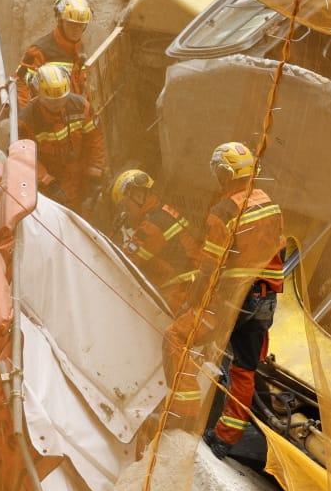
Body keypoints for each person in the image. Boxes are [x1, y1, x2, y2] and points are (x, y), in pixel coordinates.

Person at [183, 141, 284, 457]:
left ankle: (183, 416)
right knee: (244, 369)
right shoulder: (268, 202)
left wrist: (196, 303)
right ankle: (225, 439)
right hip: (266, 300)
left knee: (181, 339)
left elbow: (211, 267)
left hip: (237, 301)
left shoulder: (224, 211)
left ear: (224, 173)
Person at [17, 62, 105, 209]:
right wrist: (47, 182)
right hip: (51, 187)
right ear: (39, 94)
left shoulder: (81, 107)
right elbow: (27, 159)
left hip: (81, 177)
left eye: (61, 100)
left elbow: (95, 140)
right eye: (52, 102)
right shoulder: (27, 121)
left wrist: (94, 174)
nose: (57, 105)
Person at [111, 168, 201, 309]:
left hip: (179, 293)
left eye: (126, 206)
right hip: (183, 286)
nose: (125, 213)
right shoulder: (160, 212)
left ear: (138, 196)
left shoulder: (155, 224)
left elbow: (128, 260)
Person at [14, 0, 90, 108]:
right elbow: (21, 83)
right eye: (72, 24)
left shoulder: (79, 48)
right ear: (60, 21)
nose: (77, 30)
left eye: (81, 25)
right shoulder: (39, 50)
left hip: (71, 114)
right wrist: (26, 117)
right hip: (46, 116)